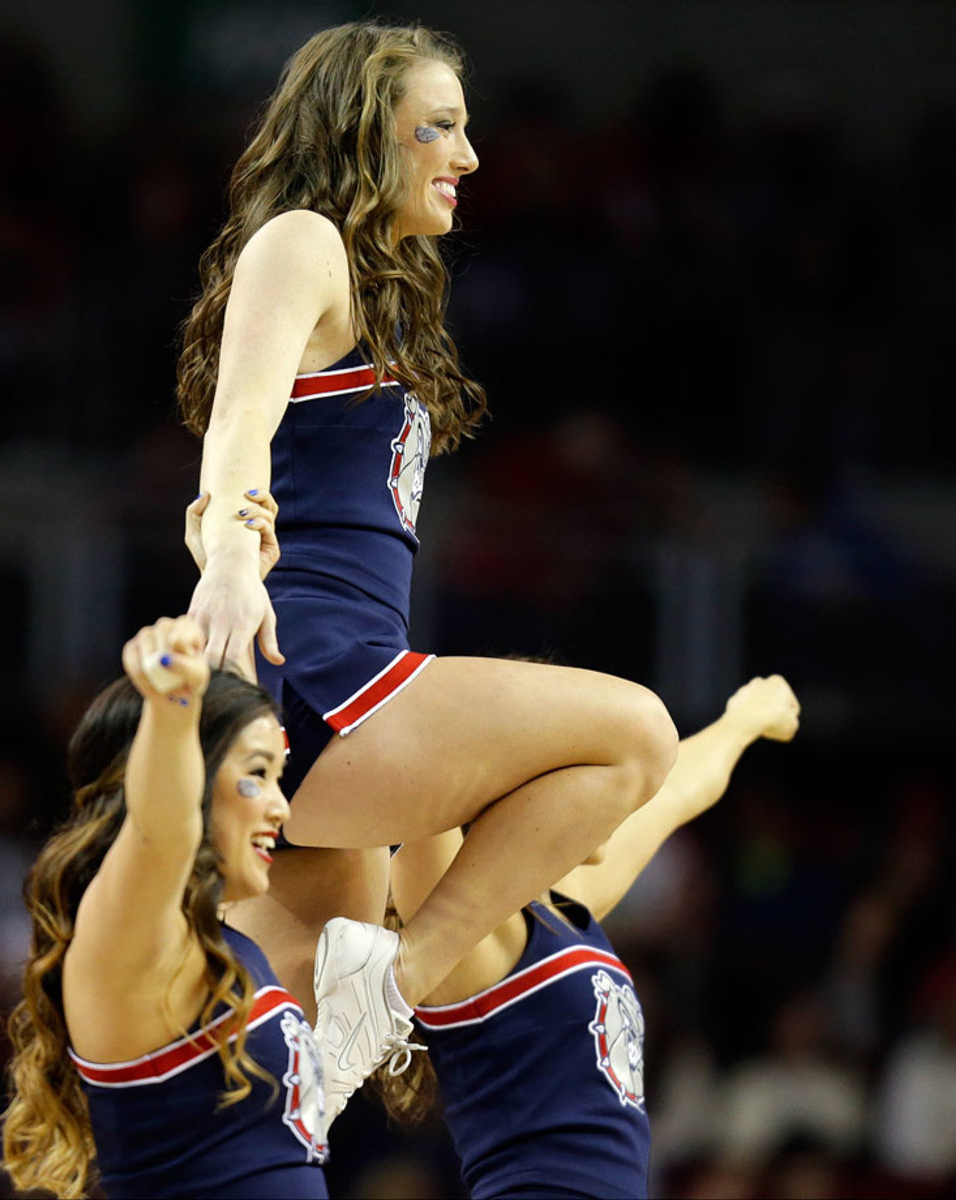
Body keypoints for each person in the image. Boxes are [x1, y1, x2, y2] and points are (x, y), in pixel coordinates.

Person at [175, 19, 679, 1124]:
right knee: (636, 733)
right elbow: (237, 429)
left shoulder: (375, 283)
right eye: (441, 127)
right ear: (365, 132)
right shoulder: (301, 240)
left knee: (254, 1073)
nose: (470, 157)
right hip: (322, 683)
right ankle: (397, 988)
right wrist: (222, 551)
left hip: (319, 704)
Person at [385, 674, 801, 1198]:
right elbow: (428, 766)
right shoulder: (454, 920)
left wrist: (742, 722)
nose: (620, 794)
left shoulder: (561, 903)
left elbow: (676, 792)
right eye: (585, 775)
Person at [0, 616, 328, 1199]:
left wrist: (232, 551)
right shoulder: (125, 933)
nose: (281, 808)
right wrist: (175, 700)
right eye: (257, 777)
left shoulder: (210, 939)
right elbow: (162, 829)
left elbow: (234, 706)